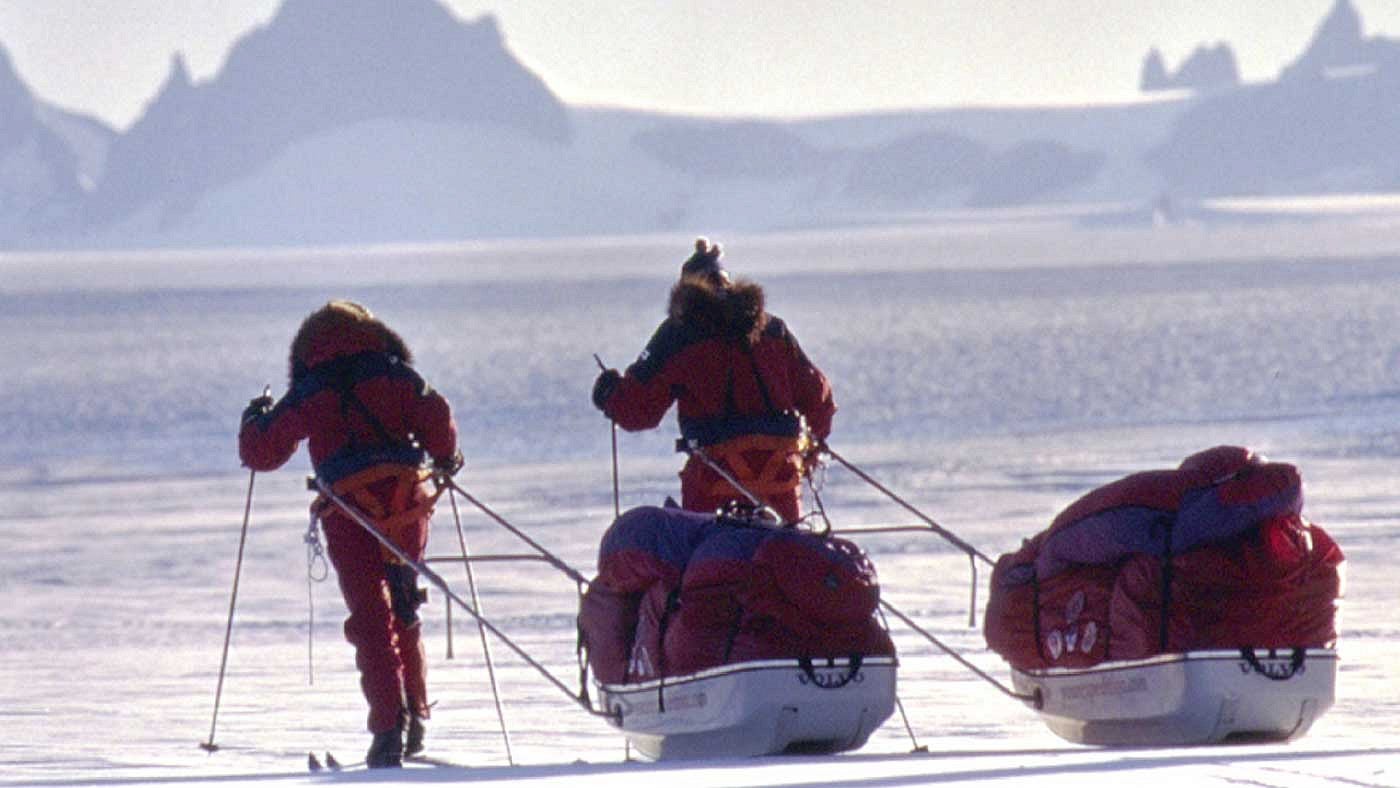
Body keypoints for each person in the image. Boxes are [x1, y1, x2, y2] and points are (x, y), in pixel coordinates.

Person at [238, 300, 461, 768]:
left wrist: (252, 420)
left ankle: (386, 731)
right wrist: (443, 456)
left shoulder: (312, 389)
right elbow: (436, 415)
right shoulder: (396, 373)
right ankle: (415, 715)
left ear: (310, 348)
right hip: (406, 502)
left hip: (348, 509)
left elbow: (263, 452)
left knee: (369, 617)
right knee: (404, 606)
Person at [591, 238, 835, 523]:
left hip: (715, 489)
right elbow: (819, 399)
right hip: (781, 487)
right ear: (728, 283)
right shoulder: (773, 330)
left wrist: (610, 395)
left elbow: (638, 411)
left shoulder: (679, 333)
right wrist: (807, 452)